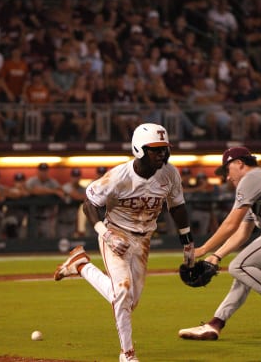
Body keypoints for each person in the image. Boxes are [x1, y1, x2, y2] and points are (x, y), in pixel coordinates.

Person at [54, 123, 195, 362]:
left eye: (164, 149)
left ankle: (81, 265)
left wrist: (188, 241)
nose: (162, 154)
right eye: (155, 149)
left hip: (144, 239)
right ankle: (127, 354)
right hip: (116, 233)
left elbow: (177, 206)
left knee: (130, 302)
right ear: (139, 149)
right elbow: (89, 204)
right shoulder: (119, 176)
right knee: (122, 292)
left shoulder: (170, 173)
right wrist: (104, 233)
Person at [178, 146, 261, 343]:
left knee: (238, 266)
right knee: (244, 276)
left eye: (227, 170)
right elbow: (242, 232)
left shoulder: (251, 178)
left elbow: (231, 223)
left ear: (239, 163)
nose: (227, 177)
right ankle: (214, 324)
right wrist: (216, 257)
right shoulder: (259, 184)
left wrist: (203, 249)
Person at [56, 167, 87, 239]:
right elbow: (76, 196)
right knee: (61, 247)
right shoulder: (66, 187)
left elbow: (87, 197)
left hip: (73, 223)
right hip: (62, 224)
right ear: (71, 177)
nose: (76, 179)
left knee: (73, 247)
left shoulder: (81, 189)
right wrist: (78, 196)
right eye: (74, 176)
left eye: (77, 176)